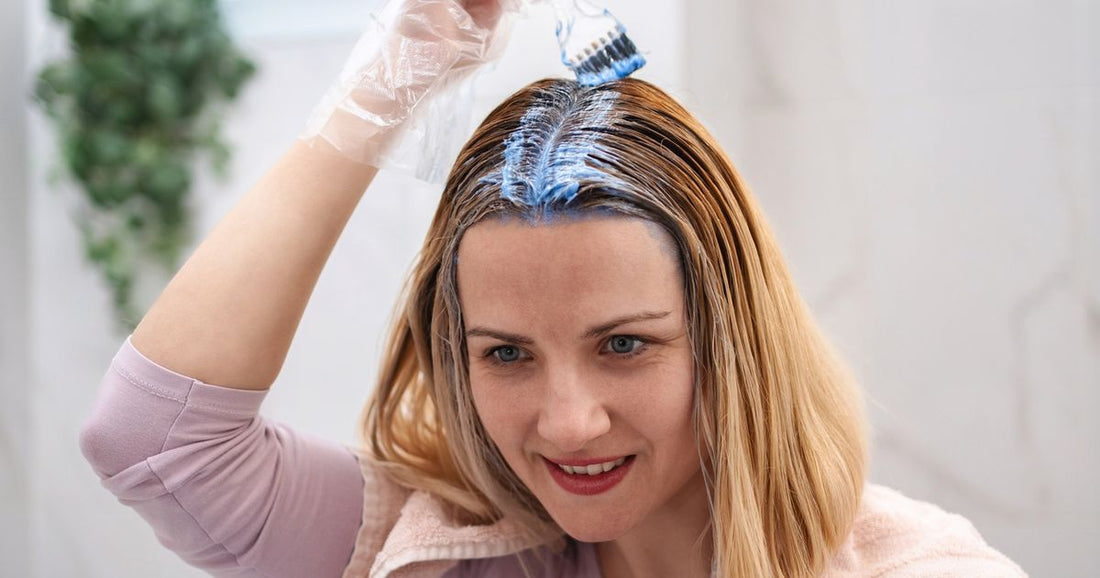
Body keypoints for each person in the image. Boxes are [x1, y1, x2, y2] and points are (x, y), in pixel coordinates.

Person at [79, 1, 1027, 576]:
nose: (568, 424)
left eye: (625, 343)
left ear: (730, 334)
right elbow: (155, 441)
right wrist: (391, 74)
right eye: (506, 354)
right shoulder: (433, 554)